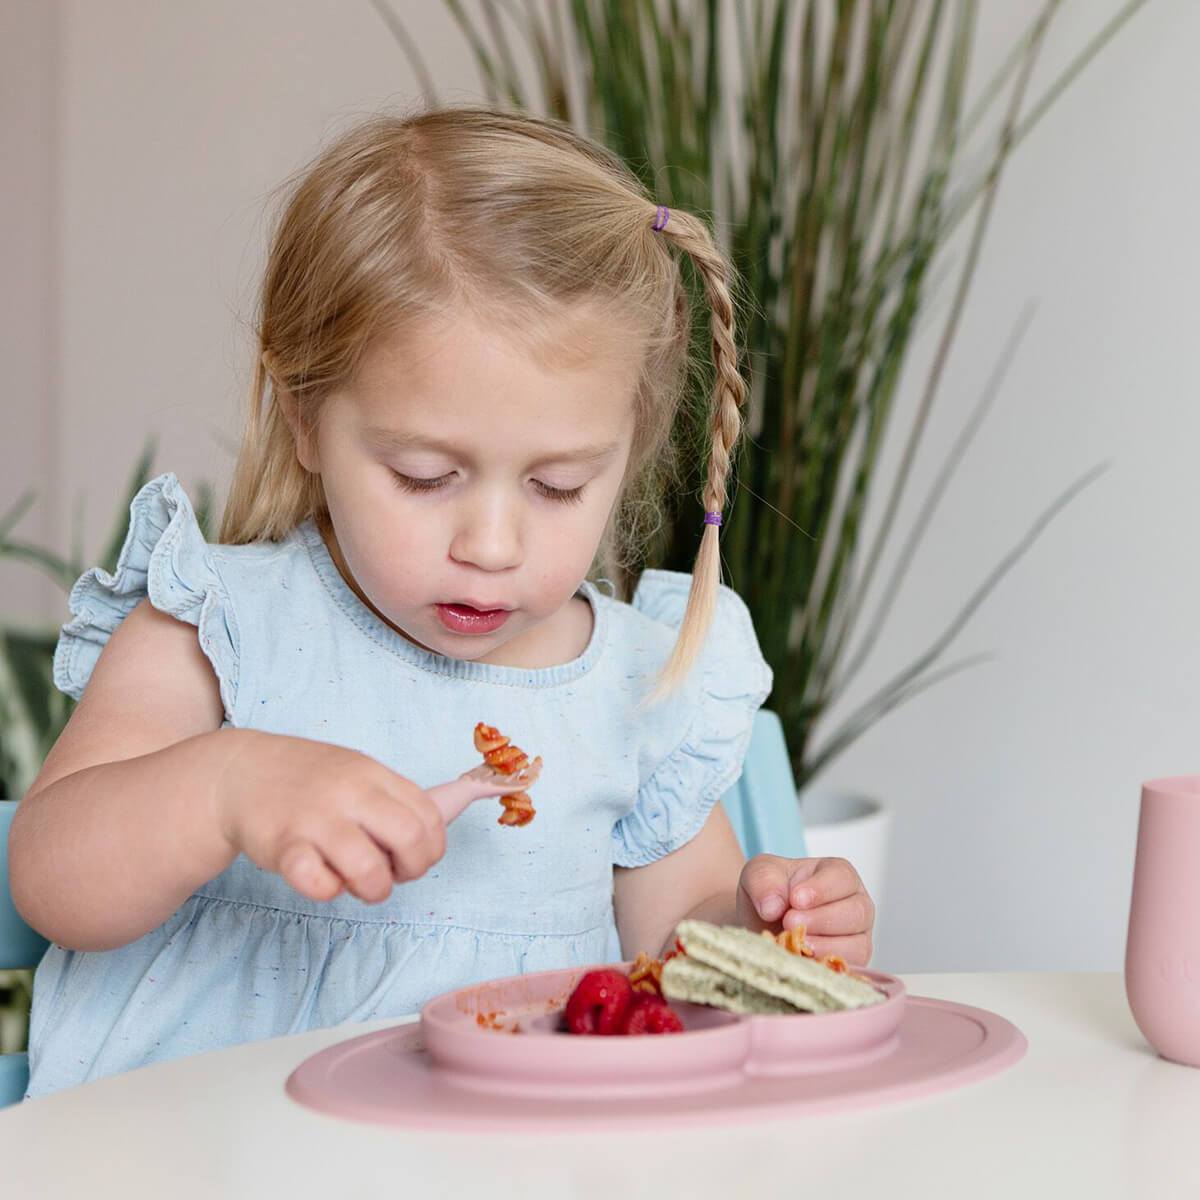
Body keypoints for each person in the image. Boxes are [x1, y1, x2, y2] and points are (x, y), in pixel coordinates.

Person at [10, 107, 875, 1097]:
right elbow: (50, 878)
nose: (492, 546)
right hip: (205, 1158)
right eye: (425, 475)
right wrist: (222, 787)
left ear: (625, 457)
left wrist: (757, 935)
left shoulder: (634, 685)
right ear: (303, 417)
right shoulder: (219, 631)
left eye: (557, 488)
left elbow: (676, 958)